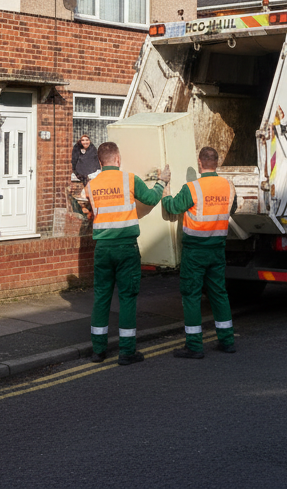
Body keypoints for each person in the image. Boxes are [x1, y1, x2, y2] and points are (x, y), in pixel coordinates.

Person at [83, 141, 169, 365]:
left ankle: (98, 351)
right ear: (117, 159)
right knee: (127, 298)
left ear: (100, 161)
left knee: (101, 298)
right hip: (126, 248)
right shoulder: (129, 179)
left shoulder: (91, 185)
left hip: (102, 249)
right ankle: (127, 351)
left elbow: (85, 208)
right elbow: (151, 199)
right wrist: (162, 182)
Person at [161, 146, 237, 359]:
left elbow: (174, 207)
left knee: (191, 295)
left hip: (195, 251)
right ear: (217, 163)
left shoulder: (192, 188)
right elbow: (232, 208)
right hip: (217, 249)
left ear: (200, 163)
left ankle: (194, 345)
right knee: (219, 294)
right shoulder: (228, 186)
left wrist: (165, 191)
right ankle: (227, 341)